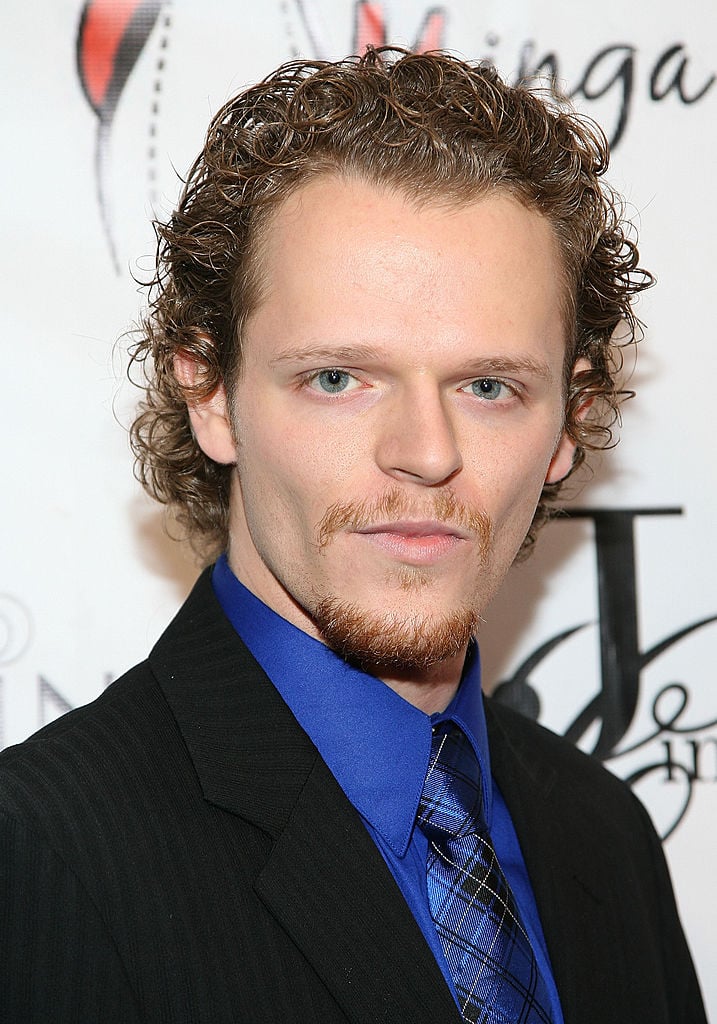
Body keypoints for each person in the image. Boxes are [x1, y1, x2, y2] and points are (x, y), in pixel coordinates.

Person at [0, 48, 706, 1024]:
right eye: (338, 378)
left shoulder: (604, 835)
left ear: (568, 424)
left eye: (488, 386)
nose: (425, 452)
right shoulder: (40, 855)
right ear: (210, 395)